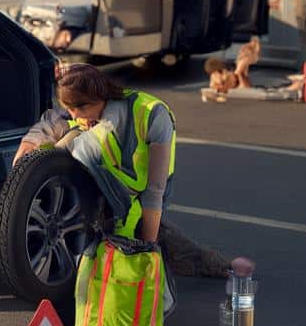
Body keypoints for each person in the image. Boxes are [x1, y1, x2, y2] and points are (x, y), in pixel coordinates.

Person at [13, 64, 231, 276]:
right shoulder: (84, 106)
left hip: (144, 194)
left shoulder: (152, 115)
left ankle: (217, 266)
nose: (76, 115)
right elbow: (55, 120)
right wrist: (33, 142)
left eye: (80, 109)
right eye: (70, 109)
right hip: (109, 188)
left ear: (100, 98)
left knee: (157, 248)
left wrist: (145, 250)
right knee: (111, 250)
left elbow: (154, 191)